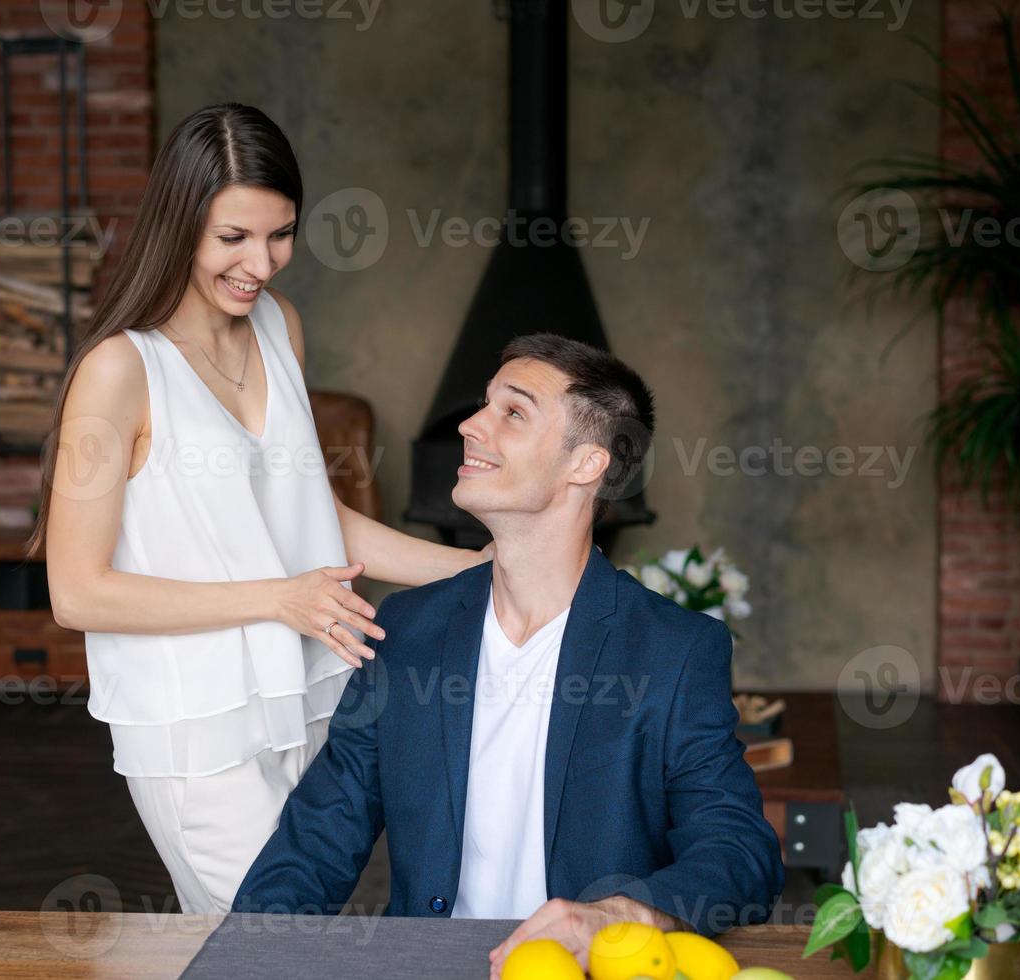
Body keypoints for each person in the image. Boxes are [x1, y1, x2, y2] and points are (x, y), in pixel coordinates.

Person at [34, 103, 488, 914]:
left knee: (268, 942)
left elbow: (309, 518)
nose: (261, 263)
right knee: (286, 946)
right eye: (233, 238)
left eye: (279, 235)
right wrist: (280, 599)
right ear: (180, 225)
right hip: (195, 727)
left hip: (304, 692)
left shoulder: (280, 326)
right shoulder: (119, 371)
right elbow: (77, 594)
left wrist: (481, 568)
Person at [234, 333, 784, 974]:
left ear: (587, 465)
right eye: (483, 405)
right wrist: (247, 956)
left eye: (513, 413)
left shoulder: (674, 650)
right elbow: (318, 838)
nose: (471, 425)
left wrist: (620, 913)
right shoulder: (409, 631)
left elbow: (741, 851)